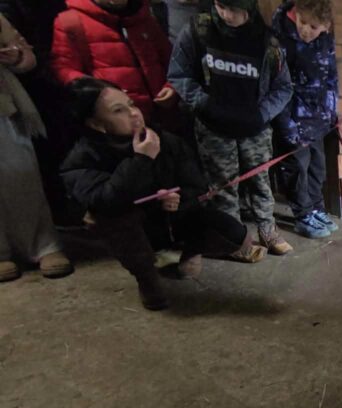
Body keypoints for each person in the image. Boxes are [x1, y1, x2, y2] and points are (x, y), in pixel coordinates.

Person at [60, 78, 267, 310]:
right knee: (115, 220)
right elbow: (106, 201)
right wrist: (142, 160)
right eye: (118, 110)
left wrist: (178, 199)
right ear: (96, 124)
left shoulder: (164, 140)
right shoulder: (82, 159)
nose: (134, 113)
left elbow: (196, 185)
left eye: (131, 104)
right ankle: (147, 278)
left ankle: (184, 252)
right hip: (134, 230)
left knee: (234, 234)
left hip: (171, 219)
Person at [168, 0, 295, 255]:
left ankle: (267, 229)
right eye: (221, 6)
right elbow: (179, 75)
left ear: (248, 8)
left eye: (234, 9)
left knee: (260, 181)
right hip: (213, 126)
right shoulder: (198, 30)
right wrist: (205, 105)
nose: (226, 14)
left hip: (254, 126)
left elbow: (283, 87)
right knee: (223, 187)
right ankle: (236, 240)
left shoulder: (268, 42)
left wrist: (262, 114)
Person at [0, 13, 74, 282]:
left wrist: (15, 56)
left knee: (22, 176)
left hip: (5, 110)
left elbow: (26, 55)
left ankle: (43, 245)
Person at [270, 0, 339, 239]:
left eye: (314, 27)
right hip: (291, 116)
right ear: (295, 13)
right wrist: (286, 125)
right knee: (296, 167)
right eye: (303, 22)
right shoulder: (278, 39)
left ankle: (317, 207)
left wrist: (330, 109)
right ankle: (303, 215)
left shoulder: (325, 40)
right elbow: (274, 85)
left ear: (325, 27)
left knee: (317, 165)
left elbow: (331, 75)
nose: (307, 30)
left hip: (316, 116)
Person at [51, 0, 176, 126]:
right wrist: (101, 92)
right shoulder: (71, 22)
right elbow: (64, 70)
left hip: (163, 114)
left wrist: (171, 86)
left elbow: (171, 59)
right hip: (118, 122)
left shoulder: (142, 15)